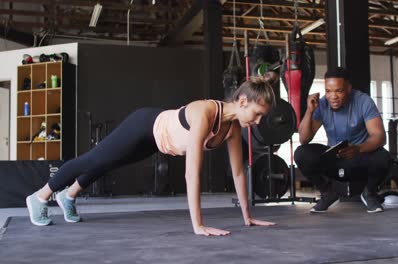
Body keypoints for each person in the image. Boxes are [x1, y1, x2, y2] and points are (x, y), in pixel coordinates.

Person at [26, 73, 278, 236]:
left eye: (261, 118)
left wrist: (248, 217)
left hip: (157, 142)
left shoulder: (233, 129)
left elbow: (237, 171)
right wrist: (198, 225)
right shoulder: (206, 112)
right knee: (92, 159)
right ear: (243, 101)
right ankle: (39, 197)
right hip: (144, 125)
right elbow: (192, 173)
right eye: (257, 114)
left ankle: (68, 196)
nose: (257, 121)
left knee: (111, 162)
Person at [294, 67, 390, 213]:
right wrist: (309, 111)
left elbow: (379, 136)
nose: (333, 96)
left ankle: (369, 193)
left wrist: (358, 149)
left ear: (349, 88)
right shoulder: (321, 104)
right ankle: (327, 193)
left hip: (359, 157)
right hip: (334, 158)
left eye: (339, 91)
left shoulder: (363, 101)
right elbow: (304, 139)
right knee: (302, 153)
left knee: (383, 157)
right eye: (328, 91)